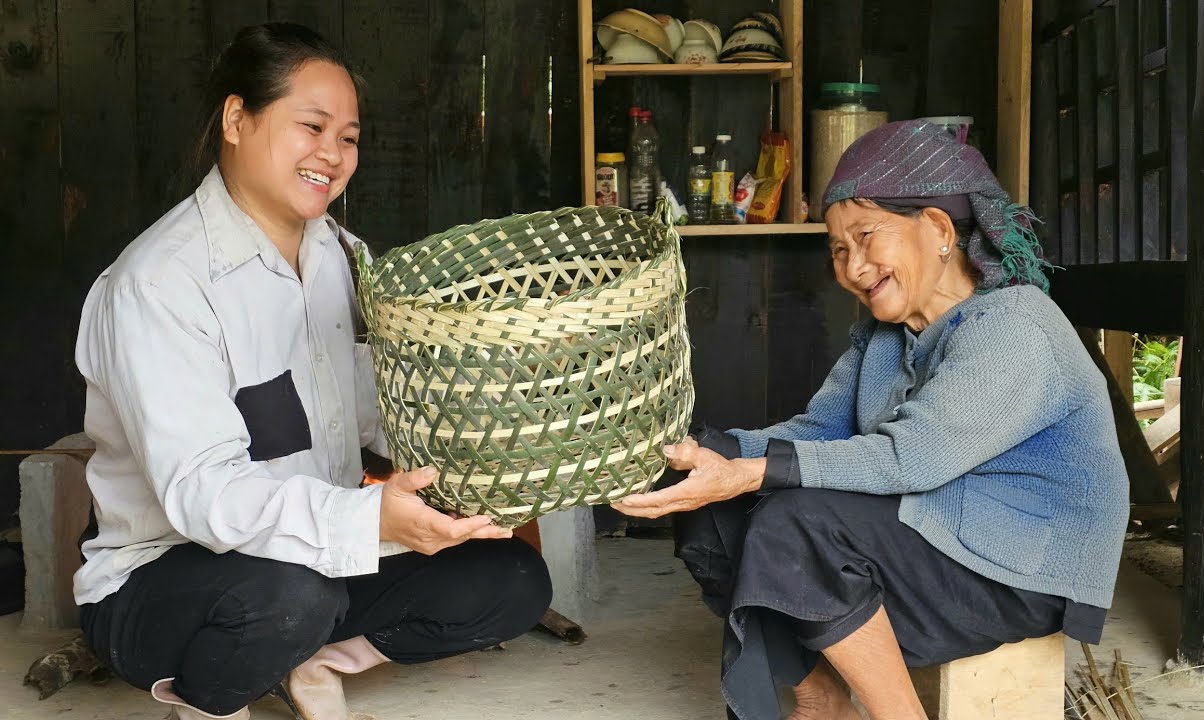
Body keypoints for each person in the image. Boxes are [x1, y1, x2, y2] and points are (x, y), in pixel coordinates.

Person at [73, 23, 551, 720]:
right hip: (163, 580)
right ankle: (211, 697)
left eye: (348, 137)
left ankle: (313, 662)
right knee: (291, 597)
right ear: (238, 120)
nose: (332, 154)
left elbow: (377, 411)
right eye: (312, 126)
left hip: (315, 553)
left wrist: (485, 459)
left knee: (510, 578)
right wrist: (366, 519)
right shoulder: (159, 285)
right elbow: (202, 496)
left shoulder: (345, 259)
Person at [614, 119, 1129, 720]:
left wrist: (751, 473)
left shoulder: (1016, 326)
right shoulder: (883, 333)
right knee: (707, 503)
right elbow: (819, 432)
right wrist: (707, 453)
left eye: (865, 236)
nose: (853, 266)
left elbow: (914, 456)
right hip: (931, 531)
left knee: (800, 520)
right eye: (838, 248)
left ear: (937, 229)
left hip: (1018, 567)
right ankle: (823, 699)